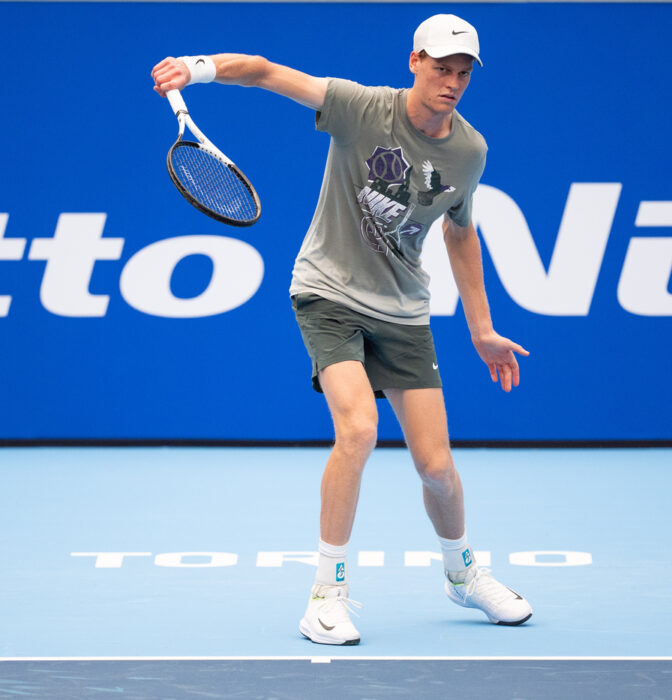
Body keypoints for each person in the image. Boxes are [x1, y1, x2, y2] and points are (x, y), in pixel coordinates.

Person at [151, 13, 532, 646]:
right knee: (358, 428)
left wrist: (482, 327)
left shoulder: (469, 151)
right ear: (415, 61)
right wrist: (200, 69)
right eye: (442, 68)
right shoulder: (360, 108)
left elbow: (459, 231)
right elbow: (269, 74)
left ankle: (462, 575)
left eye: (463, 73)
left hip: (405, 310)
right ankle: (326, 593)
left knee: (437, 466)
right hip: (326, 293)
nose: (452, 82)